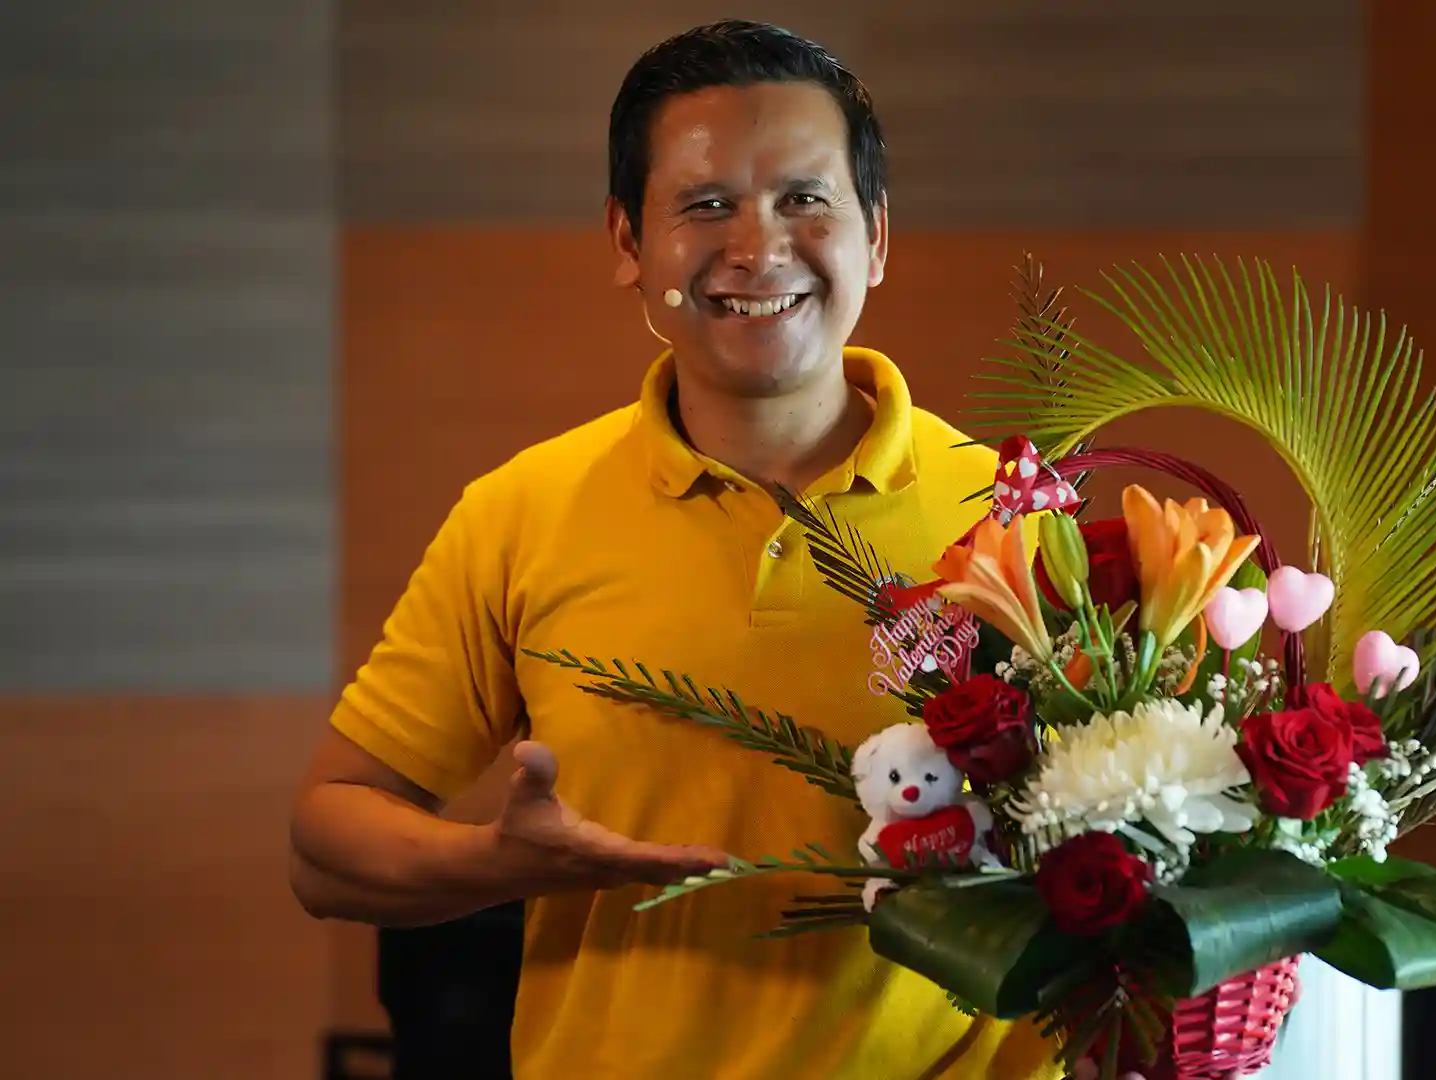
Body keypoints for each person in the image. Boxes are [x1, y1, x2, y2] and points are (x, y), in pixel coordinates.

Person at [289, 19, 1057, 1080]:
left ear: (876, 236)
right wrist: (501, 865)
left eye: (805, 199)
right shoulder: (522, 512)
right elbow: (329, 838)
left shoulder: (1014, 515)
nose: (758, 247)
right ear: (627, 242)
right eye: (705, 205)